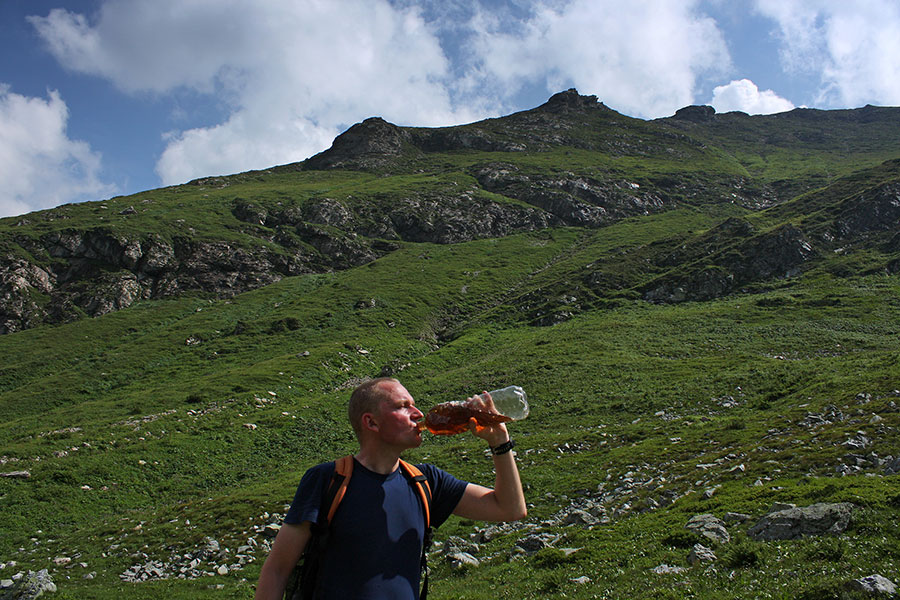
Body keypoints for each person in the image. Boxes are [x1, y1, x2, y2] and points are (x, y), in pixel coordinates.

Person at [255, 377, 527, 599]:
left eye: (414, 405)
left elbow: (510, 508)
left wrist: (499, 442)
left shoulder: (426, 481)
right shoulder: (328, 479)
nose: (418, 413)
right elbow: (277, 571)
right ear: (371, 422)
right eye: (403, 406)